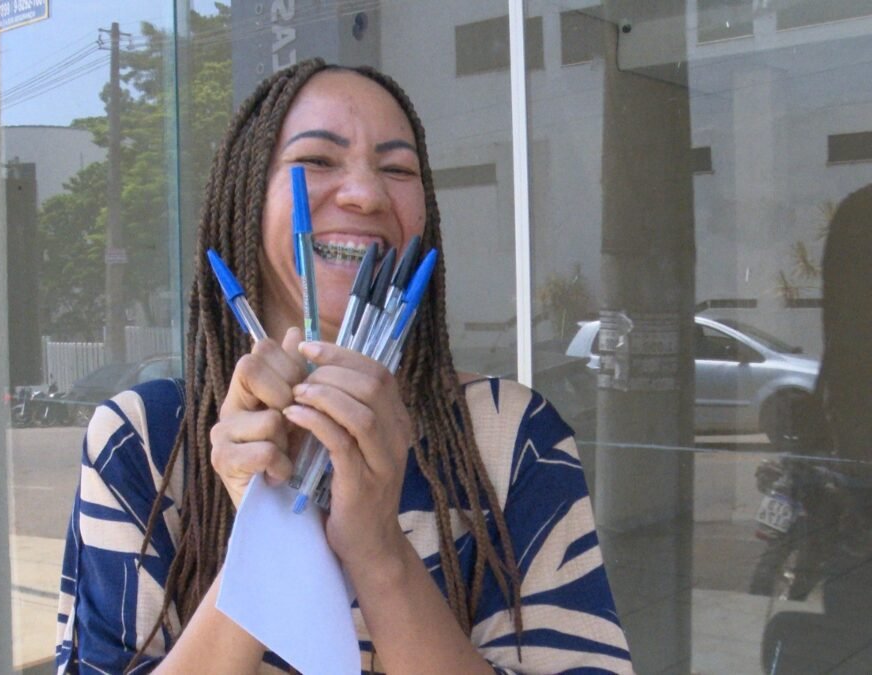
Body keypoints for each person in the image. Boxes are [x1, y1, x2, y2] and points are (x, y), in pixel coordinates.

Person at [55, 58, 631, 673]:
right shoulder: (143, 442)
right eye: (317, 160)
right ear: (247, 196)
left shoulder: (513, 436)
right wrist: (270, 530)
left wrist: (378, 549)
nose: (365, 194)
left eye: (397, 169)